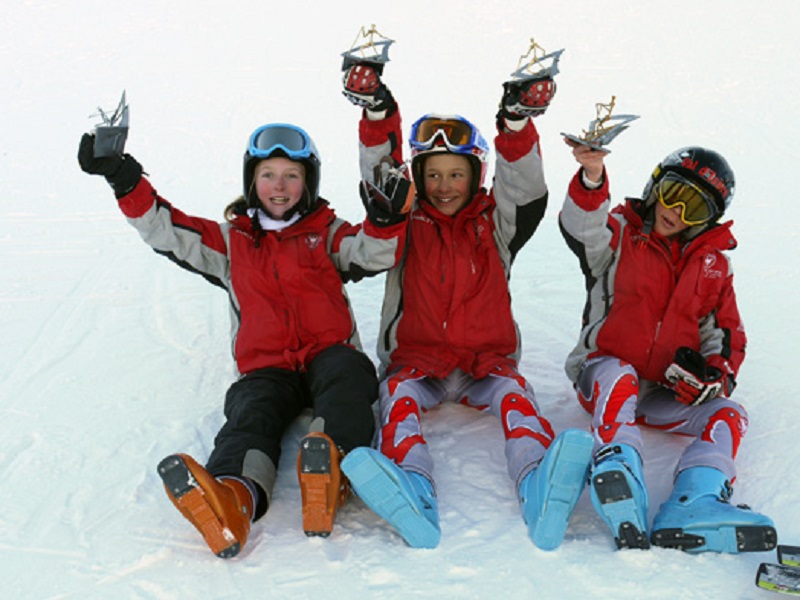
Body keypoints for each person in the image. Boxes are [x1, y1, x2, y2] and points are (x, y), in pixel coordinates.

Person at [77, 122, 407, 558]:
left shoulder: (325, 232)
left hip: (329, 352)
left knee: (349, 381)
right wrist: (123, 177)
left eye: (292, 175)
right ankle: (232, 498)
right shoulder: (230, 242)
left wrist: (385, 220)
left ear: (308, 183)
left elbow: (372, 252)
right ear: (252, 180)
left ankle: (331, 472)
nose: (280, 185)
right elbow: (166, 229)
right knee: (250, 416)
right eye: (268, 174)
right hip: (266, 366)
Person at [335, 61, 595, 551]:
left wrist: (515, 125)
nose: (445, 186)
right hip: (417, 361)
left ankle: (539, 481)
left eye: (457, 173)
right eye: (432, 175)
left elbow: (524, 189)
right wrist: (378, 114)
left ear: (476, 174)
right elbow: (381, 176)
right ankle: (412, 484)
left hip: (487, 361)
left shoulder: (496, 224)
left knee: (519, 401)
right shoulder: (404, 221)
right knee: (397, 403)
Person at [559, 140, 777, 553]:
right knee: (619, 373)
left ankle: (695, 500)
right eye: (673, 194)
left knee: (729, 415)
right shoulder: (620, 233)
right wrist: (591, 177)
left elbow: (726, 333)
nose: (675, 212)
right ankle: (618, 469)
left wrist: (714, 375)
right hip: (602, 376)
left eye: (694, 208)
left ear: (708, 220)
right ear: (655, 185)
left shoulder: (713, 265)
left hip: (660, 392)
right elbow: (581, 227)